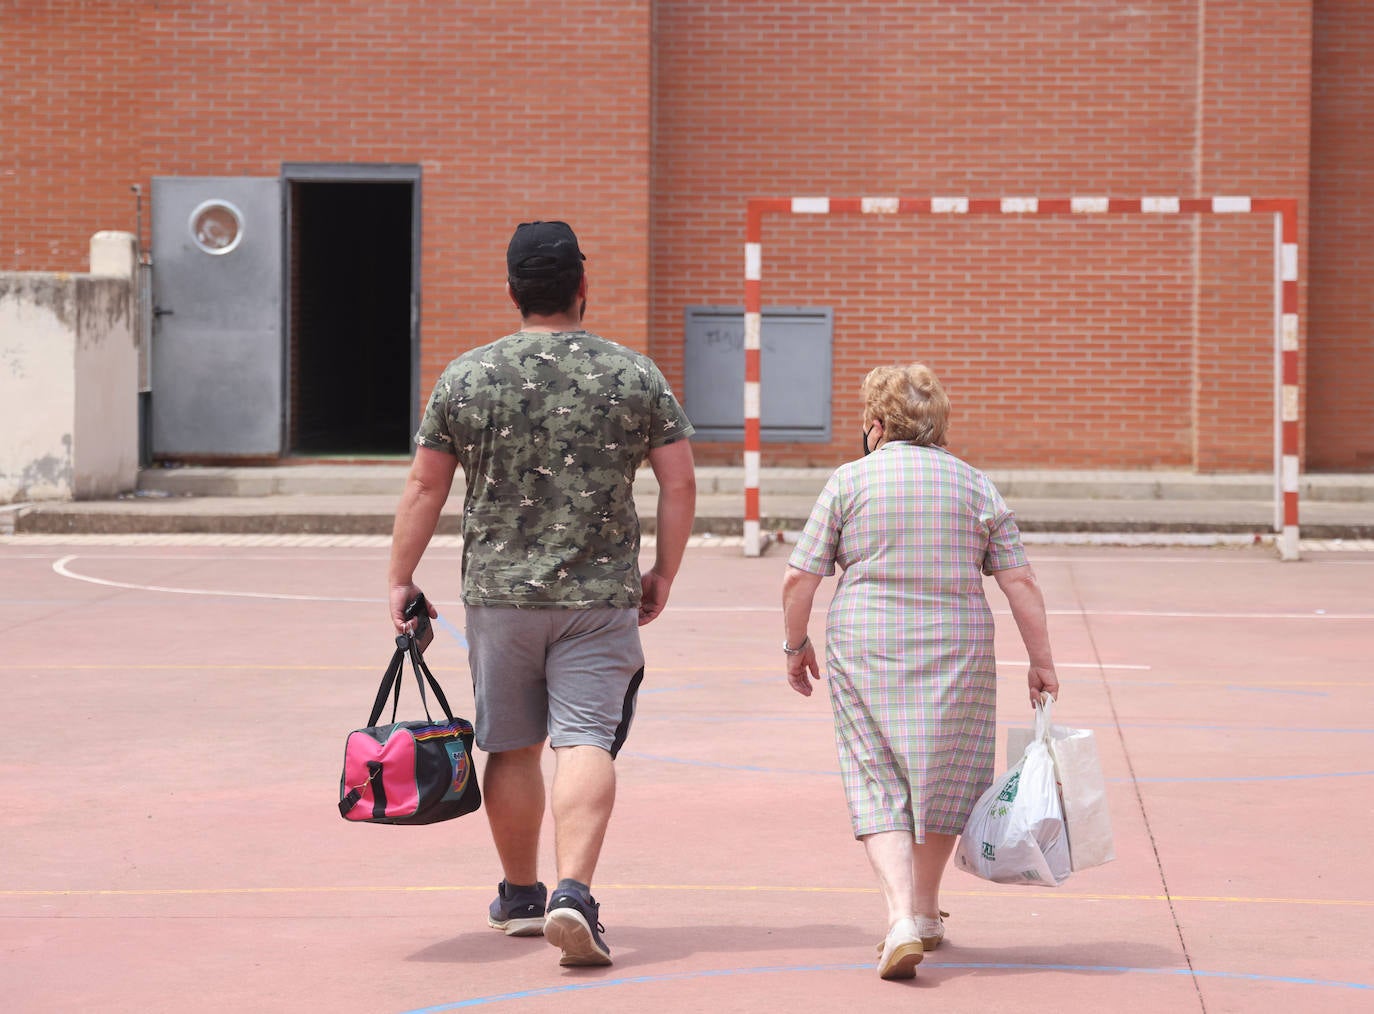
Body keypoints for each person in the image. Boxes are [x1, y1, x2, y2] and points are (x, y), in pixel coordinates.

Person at [388, 220, 696, 967]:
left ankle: (521, 894)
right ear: (581, 287)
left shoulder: (466, 376)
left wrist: (401, 576)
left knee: (512, 745)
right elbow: (679, 480)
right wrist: (663, 571)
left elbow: (426, 485)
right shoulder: (634, 376)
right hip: (599, 595)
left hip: (499, 599)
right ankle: (573, 893)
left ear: (513, 290)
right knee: (586, 740)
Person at [780, 362, 1059, 981]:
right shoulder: (976, 486)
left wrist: (794, 643)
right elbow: (1020, 581)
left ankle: (904, 915)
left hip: (866, 645)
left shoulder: (849, 482)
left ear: (876, 425)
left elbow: (801, 575)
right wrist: (1041, 662)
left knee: (876, 774)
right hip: (957, 649)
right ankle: (927, 913)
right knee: (945, 773)